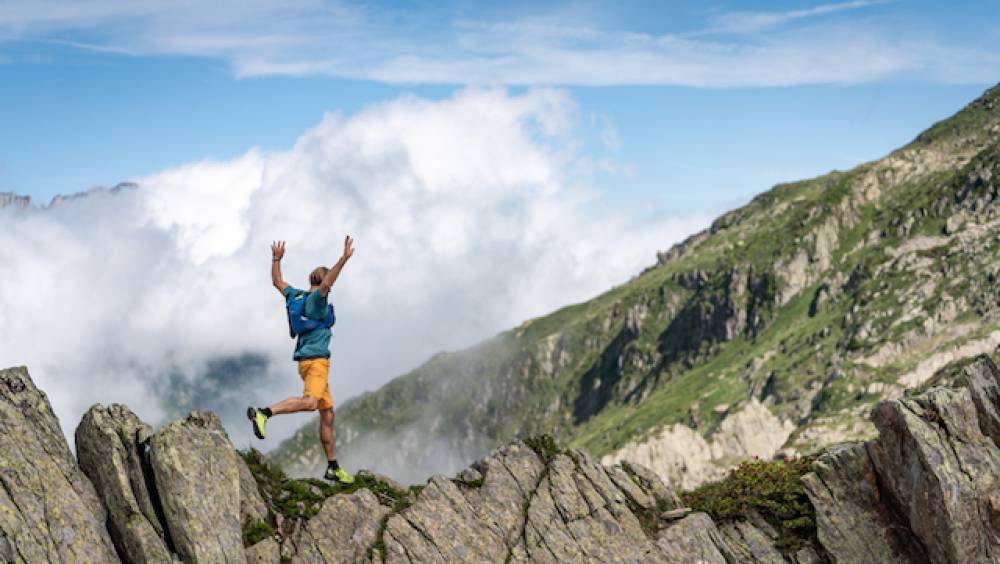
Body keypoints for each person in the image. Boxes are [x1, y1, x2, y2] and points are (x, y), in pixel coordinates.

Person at [247, 236, 355, 484]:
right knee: (310, 403)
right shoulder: (317, 302)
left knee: (327, 414)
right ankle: (264, 413)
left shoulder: (295, 296)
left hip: (309, 364)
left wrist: (276, 259)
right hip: (316, 364)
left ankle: (333, 466)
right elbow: (327, 284)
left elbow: (277, 281)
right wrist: (343, 260)